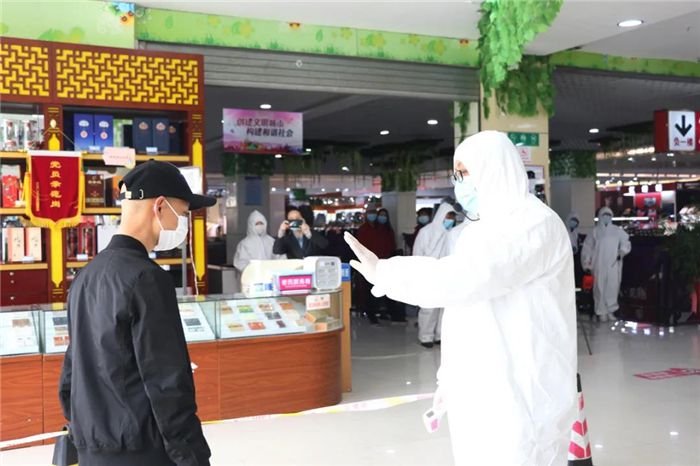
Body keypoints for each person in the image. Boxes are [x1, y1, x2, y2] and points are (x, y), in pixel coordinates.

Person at [345, 131, 577, 465]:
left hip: (523, 394)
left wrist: (387, 273)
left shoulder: (532, 224)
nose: (459, 184)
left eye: (464, 173)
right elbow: (465, 311)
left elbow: (466, 278)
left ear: (494, 168)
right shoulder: (481, 229)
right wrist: (451, 378)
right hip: (483, 387)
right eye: (455, 175)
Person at [59, 160, 213, 466]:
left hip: (92, 448)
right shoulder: (147, 278)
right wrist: (192, 456)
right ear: (160, 206)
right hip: (143, 450)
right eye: (182, 213)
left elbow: (71, 371)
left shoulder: (85, 276)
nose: (182, 224)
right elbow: (167, 382)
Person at [413, 202, 455, 348]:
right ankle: (425, 336)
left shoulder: (451, 233)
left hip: (446, 275)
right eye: (448, 216)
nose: (450, 220)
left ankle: (440, 335)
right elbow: (418, 253)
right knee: (429, 307)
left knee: (444, 308)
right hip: (428, 274)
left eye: (452, 217)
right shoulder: (426, 231)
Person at [581, 207, 632, 322]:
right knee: (599, 288)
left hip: (613, 264)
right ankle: (601, 311)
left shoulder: (617, 231)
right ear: (600, 216)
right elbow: (587, 248)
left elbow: (626, 242)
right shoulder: (595, 232)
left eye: (608, 215)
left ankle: (610, 311)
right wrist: (587, 263)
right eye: (604, 215)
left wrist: (622, 251)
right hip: (598, 264)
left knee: (612, 287)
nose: (606, 217)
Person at [355, 204, 397, 324]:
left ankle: (383, 312)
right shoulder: (363, 229)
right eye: (370, 213)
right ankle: (371, 314)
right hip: (369, 264)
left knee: (383, 288)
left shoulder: (383, 229)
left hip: (383, 263)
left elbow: (389, 245)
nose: (373, 215)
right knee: (369, 290)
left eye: (374, 212)